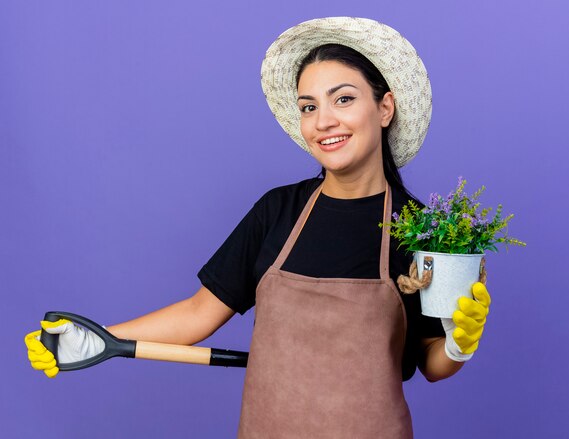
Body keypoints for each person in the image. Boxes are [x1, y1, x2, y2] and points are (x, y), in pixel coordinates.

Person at [25, 17, 491, 438]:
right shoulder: (277, 211)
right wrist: (96, 337)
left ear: (384, 108)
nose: (324, 121)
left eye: (344, 99)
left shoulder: (423, 231)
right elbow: (197, 314)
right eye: (308, 107)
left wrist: (458, 342)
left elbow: (432, 363)